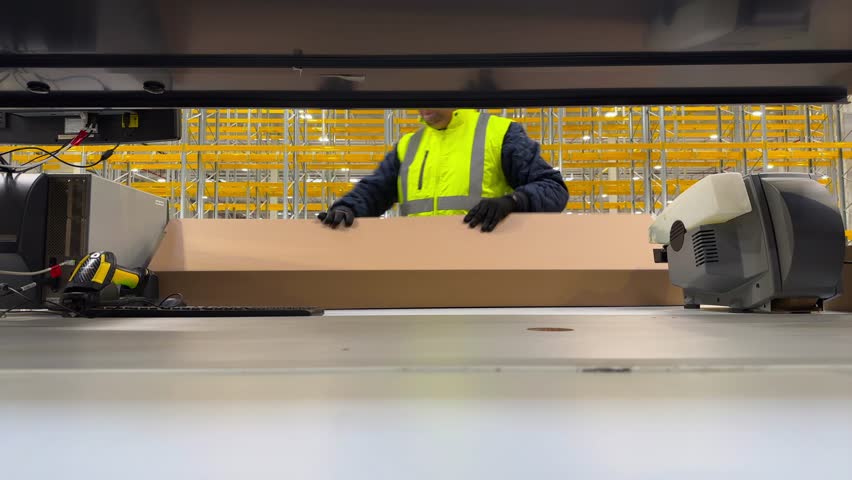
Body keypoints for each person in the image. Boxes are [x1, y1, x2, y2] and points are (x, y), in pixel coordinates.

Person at [318, 108, 569, 232]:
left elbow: (553, 189)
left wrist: (512, 202)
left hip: (485, 269)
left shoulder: (499, 132)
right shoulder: (410, 145)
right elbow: (374, 191)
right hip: (420, 268)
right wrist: (346, 207)